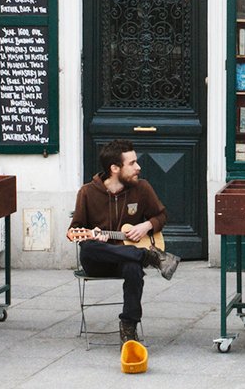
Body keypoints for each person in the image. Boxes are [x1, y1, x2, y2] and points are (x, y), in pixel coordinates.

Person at [70, 139, 180, 344]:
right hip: (98, 261)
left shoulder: (142, 188)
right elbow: (74, 230)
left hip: (125, 259)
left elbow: (162, 216)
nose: (138, 167)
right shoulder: (87, 192)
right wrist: (94, 235)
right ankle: (146, 256)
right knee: (88, 248)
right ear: (114, 168)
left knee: (132, 268)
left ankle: (129, 327)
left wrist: (146, 226)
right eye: (132, 163)